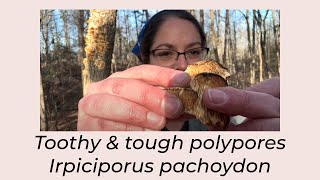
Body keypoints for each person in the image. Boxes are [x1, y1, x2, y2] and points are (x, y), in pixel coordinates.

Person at [77, 10, 280, 131]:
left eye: (193, 51)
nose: (183, 65)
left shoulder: (225, 122)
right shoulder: (121, 123)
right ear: (145, 59)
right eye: (165, 53)